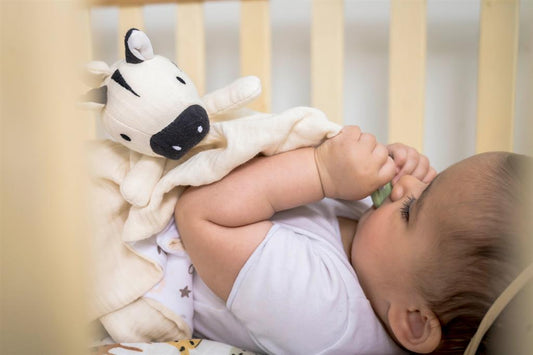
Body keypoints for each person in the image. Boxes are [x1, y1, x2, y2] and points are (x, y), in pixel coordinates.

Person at [174, 126, 530, 354]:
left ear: (414, 322)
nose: (407, 186)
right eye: (429, 182)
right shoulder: (378, 267)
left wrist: (321, 171)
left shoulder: (326, 316)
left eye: (411, 209)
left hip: (135, 255)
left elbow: (200, 213)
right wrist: (383, 171)